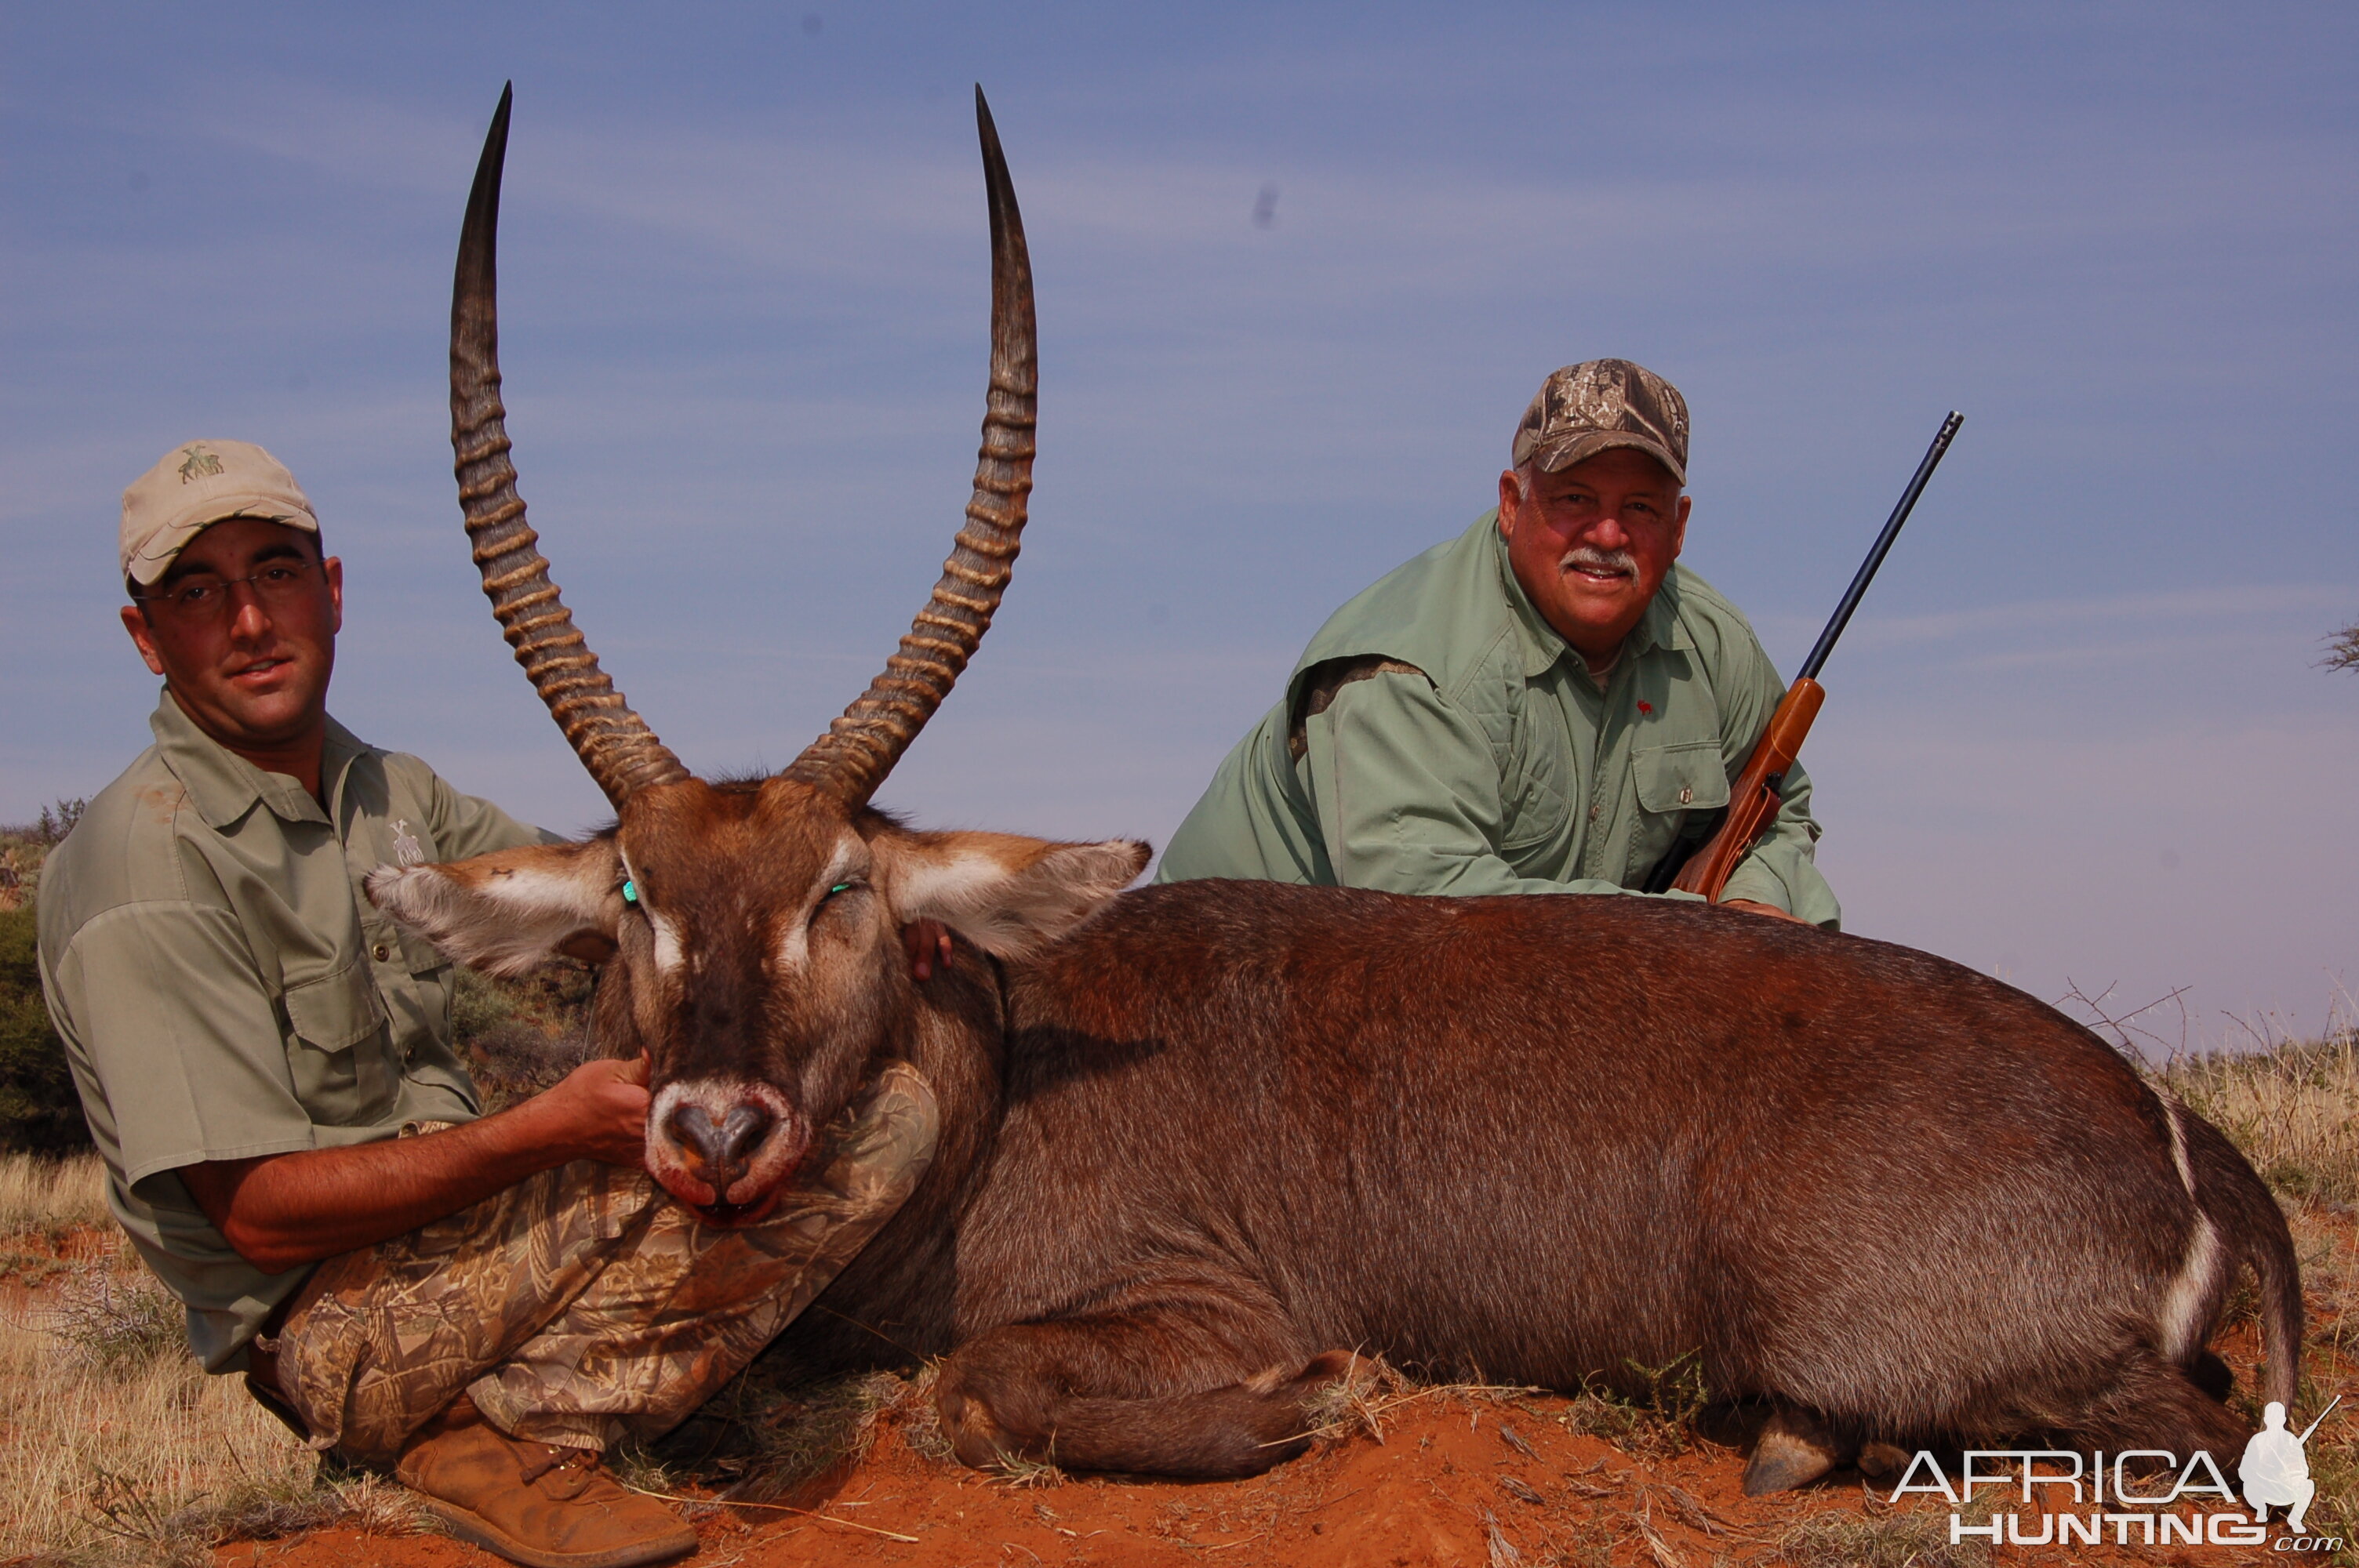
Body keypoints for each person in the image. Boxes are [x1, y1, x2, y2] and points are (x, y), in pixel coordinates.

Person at [36, 440, 937, 1568]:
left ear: (333, 592)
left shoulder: (389, 793)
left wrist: (855, 909)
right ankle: (480, 1430)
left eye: (273, 572)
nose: (251, 622)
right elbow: (254, 1216)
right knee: (756, 1140)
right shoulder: (145, 863)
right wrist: (544, 1132)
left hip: (452, 1223)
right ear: (145, 638)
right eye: (198, 593)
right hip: (327, 1318)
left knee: (874, 1111)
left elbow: (644, 891)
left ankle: (521, 1390)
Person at [1157, 360, 1838, 927]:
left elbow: (1781, 807)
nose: (1607, 536)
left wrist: (1755, 903)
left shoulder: (1713, 642)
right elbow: (1430, 914)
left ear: (1679, 525)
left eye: (1639, 507)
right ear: (1512, 503)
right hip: (1233, 990)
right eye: (1575, 499)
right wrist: (1695, 938)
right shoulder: (1407, 669)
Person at [2240, 1401, 2317, 1533]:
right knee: (2249, 1486)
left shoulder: (2291, 1441)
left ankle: (2295, 1519)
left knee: (2308, 1485)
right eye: (2271, 1418)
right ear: (2266, 1420)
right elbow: (2244, 1470)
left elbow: (2303, 1471)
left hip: (2284, 1487)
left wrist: (2286, 1468)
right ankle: (2262, 1511)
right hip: (2261, 1489)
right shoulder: (2257, 1440)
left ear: (2283, 1420)